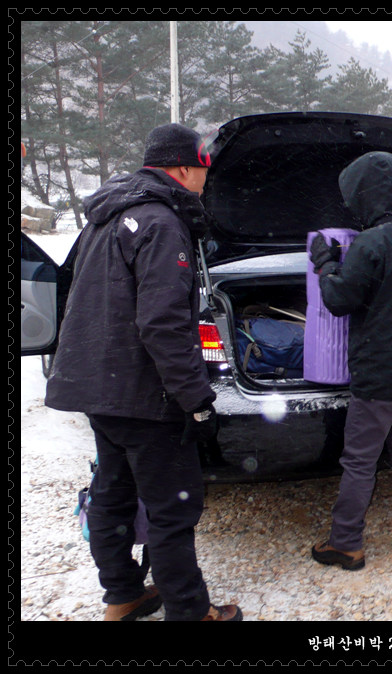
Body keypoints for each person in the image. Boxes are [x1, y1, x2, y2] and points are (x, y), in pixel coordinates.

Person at [45, 123, 242, 621]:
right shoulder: (162, 222)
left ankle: (123, 595)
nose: (205, 180)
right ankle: (191, 612)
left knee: (114, 492)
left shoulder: (108, 215)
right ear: (181, 168)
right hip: (142, 392)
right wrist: (195, 399)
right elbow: (163, 324)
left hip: (99, 386)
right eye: (202, 170)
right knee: (172, 507)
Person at [308, 151, 392, 571]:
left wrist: (325, 262)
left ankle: (346, 543)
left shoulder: (371, 242)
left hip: (380, 376)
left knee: (360, 461)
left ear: (364, 195)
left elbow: (338, 300)